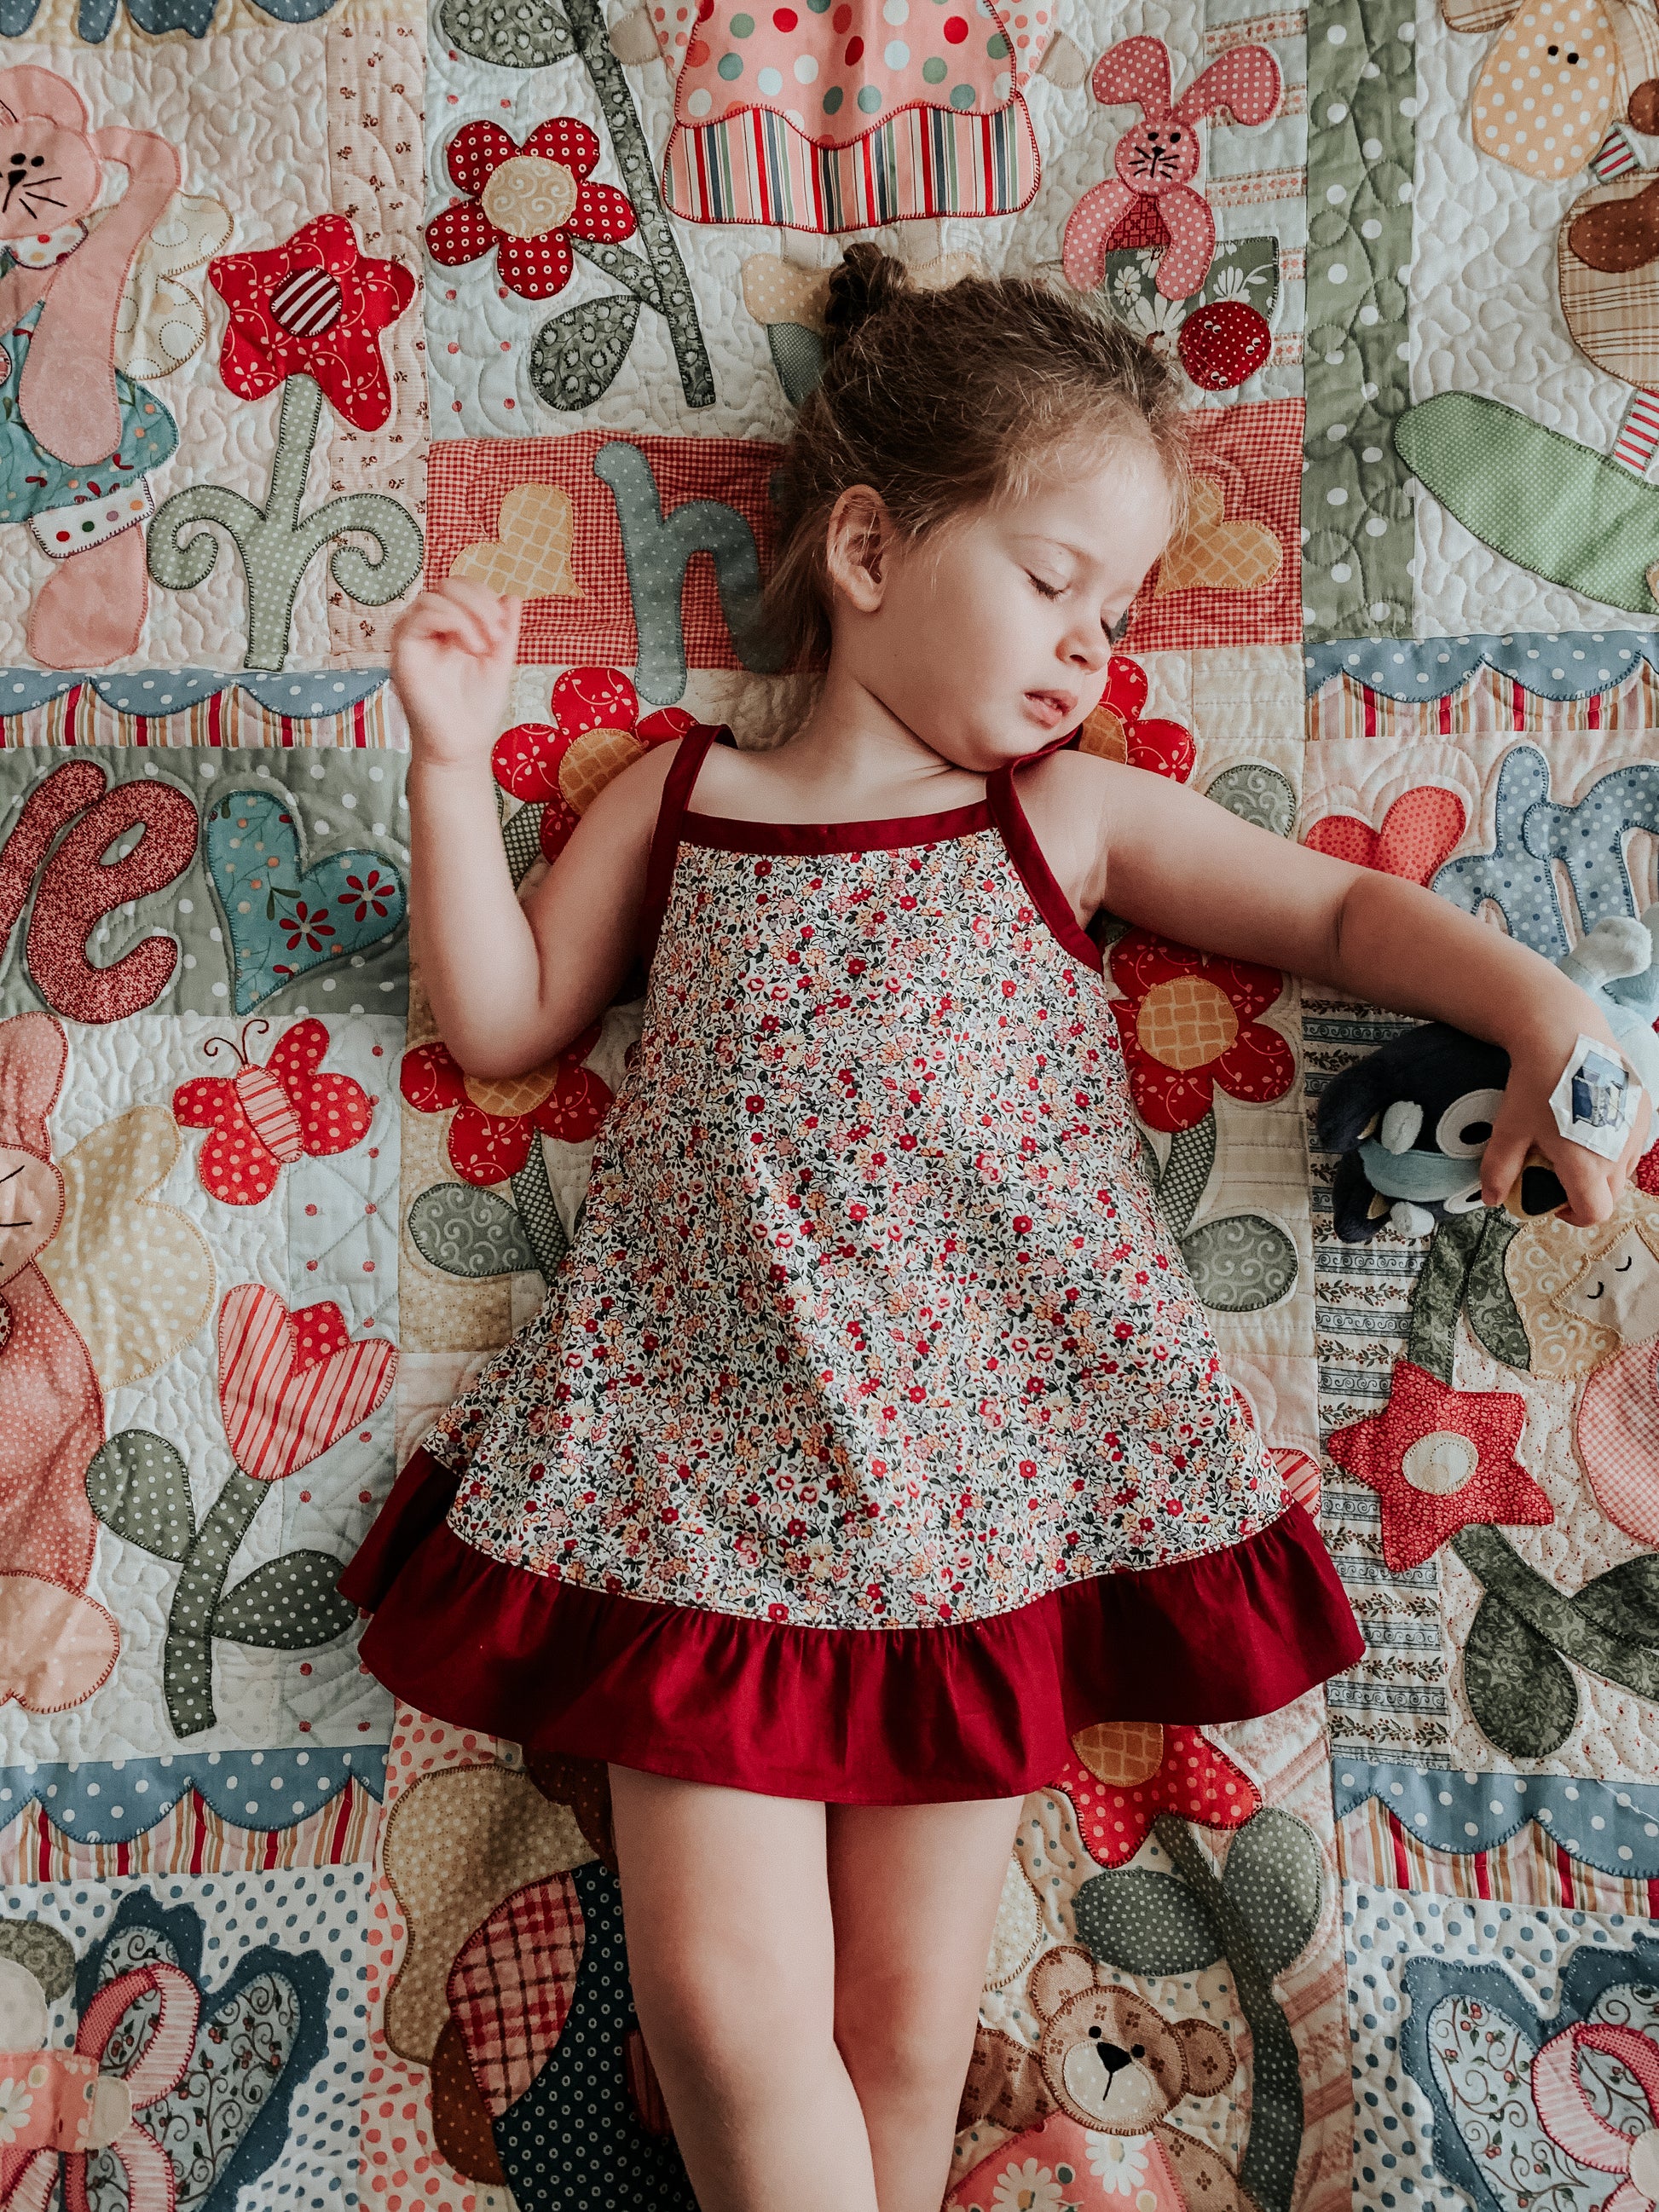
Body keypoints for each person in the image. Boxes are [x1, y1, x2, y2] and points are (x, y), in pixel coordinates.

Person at [341, 247, 1650, 2212]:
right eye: (1054, 585)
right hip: (692, 1483)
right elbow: (506, 1020)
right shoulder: (685, 800)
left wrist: (1544, 1010)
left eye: (1117, 614)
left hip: (977, 1492)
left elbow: (1333, 911)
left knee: (902, 2029)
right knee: (719, 2009)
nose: (1089, 651)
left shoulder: (1063, 817)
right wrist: (451, 763)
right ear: (868, 547)